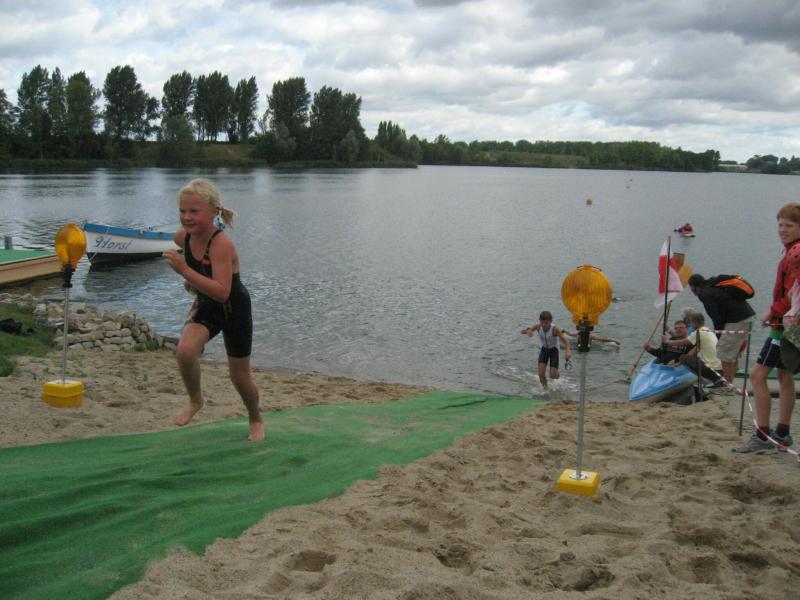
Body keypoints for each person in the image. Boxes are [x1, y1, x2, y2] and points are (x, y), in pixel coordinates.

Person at [163, 179, 264, 442]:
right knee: (185, 352)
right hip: (207, 305)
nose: (187, 217)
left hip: (234, 309)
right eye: (182, 211)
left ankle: (255, 417)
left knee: (239, 377)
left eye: (194, 211)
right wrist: (191, 279)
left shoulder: (221, 244)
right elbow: (200, 275)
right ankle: (195, 400)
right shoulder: (182, 237)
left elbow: (222, 292)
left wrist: (185, 271)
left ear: (213, 212)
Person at [734, 202, 800, 454]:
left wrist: (771, 313)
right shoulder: (791, 252)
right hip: (789, 325)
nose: (782, 229)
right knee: (784, 375)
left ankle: (762, 434)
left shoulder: (795, 255)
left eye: (789, 225)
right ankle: (782, 432)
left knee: (758, 375)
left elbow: (791, 295)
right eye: (780, 225)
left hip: (783, 326)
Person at [688, 272, 755, 386]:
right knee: (732, 352)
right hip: (746, 316)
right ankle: (730, 384)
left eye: (691, 288)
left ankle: (727, 385)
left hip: (737, 320)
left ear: (694, 287)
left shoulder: (704, 294)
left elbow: (716, 316)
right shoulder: (713, 285)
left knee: (723, 352)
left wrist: (720, 336)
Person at [674, 312, 736, 393]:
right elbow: (695, 350)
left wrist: (668, 342)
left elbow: (683, 342)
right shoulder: (707, 330)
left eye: (691, 322)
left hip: (713, 370)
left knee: (683, 357)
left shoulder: (698, 332)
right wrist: (679, 363)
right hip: (720, 369)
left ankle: (711, 380)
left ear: (694, 323)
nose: (691, 325)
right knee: (686, 358)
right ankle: (715, 380)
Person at [521, 311, 572, 389]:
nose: (544, 325)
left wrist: (567, 351)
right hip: (544, 349)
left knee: (553, 376)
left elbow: (566, 341)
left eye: (546, 323)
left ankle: (556, 374)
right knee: (541, 374)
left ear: (550, 321)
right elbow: (526, 331)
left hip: (554, 350)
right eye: (542, 323)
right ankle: (545, 389)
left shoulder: (555, 329)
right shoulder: (538, 326)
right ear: (539, 321)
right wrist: (527, 331)